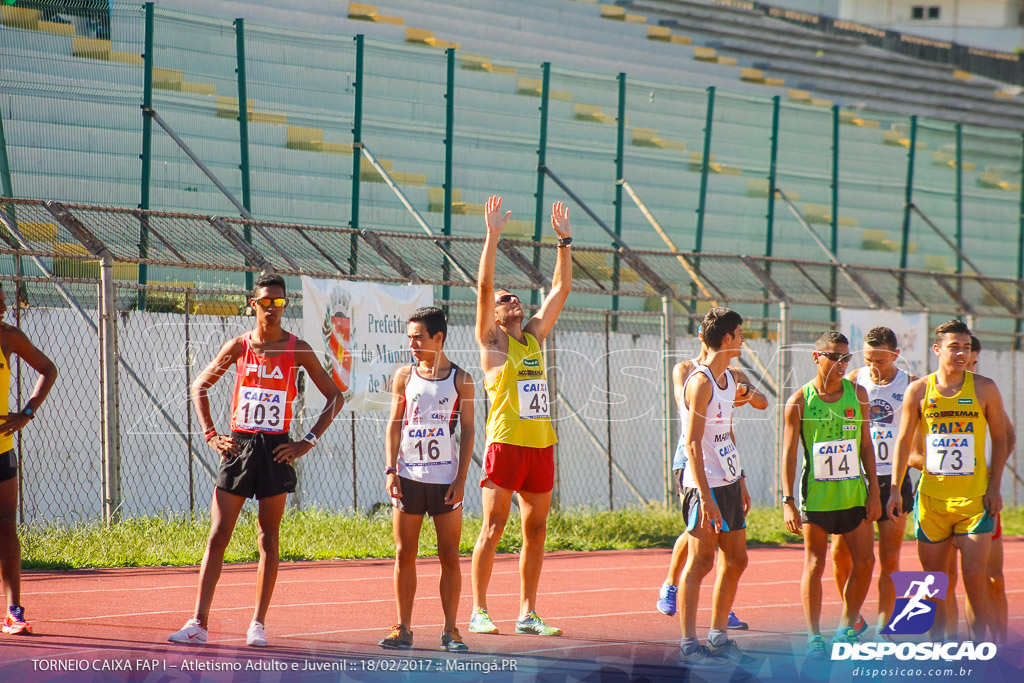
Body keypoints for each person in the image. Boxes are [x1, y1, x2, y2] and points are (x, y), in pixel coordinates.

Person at [168, 273, 343, 647]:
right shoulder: (238, 346)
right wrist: (212, 435)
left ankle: (257, 625)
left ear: (285, 305)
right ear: (254, 303)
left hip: (276, 448)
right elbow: (200, 386)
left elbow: (334, 397)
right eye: (266, 301)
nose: (273, 308)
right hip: (239, 446)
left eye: (279, 302)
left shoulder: (298, 348)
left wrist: (307, 441)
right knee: (218, 535)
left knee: (268, 537)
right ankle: (198, 622)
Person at [469, 195, 570, 637]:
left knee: (537, 531)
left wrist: (564, 242)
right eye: (507, 299)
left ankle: (528, 612)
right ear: (495, 313)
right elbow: (486, 285)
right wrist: (492, 235)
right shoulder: (492, 341)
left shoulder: (532, 337)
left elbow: (560, 290)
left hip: (540, 444)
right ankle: (478, 610)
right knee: (493, 527)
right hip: (506, 442)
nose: (515, 301)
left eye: (517, 299)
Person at [889, 320, 1008, 642]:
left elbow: (1003, 437)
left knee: (975, 578)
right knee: (935, 583)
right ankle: (939, 647)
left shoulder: (984, 388)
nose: (961, 353)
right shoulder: (919, 390)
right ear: (937, 349)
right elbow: (902, 444)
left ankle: (983, 649)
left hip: (973, 501)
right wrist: (893, 490)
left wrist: (994, 485)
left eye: (966, 347)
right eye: (954, 346)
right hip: (932, 502)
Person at [379, 306, 475, 652]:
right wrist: (391, 470)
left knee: (449, 555)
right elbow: (393, 424)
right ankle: (403, 627)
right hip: (409, 477)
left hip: (445, 479)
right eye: (409, 338)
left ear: (439, 338)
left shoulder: (461, 379)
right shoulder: (404, 375)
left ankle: (451, 630)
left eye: (418, 337)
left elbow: (467, 430)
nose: (412, 344)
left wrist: (461, 478)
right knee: (405, 553)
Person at [657, 336, 767, 632]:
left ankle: (722, 611)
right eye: (739, 334)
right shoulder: (689, 371)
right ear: (706, 338)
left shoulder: (732, 375)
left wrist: (740, 390)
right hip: (692, 459)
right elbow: (688, 410)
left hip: (726, 466)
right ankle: (671, 585)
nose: (743, 340)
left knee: (731, 554)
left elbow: (760, 401)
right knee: (700, 540)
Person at [782, 331, 881, 656]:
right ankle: (813, 636)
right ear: (817, 357)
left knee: (865, 562)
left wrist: (875, 492)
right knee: (814, 563)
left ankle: (845, 627)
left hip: (853, 495)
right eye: (834, 357)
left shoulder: (859, 395)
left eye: (845, 358)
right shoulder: (799, 401)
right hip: (817, 499)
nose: (841, 364)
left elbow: (866, 445)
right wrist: (788, 501)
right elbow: (789, 455)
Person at [676, 308, 754, 666]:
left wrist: (740, 481)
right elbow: (692, 443)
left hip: (727, 480)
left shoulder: (728, 380)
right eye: (739, 333)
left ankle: (719, 636)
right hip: (702, 485)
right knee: (702, 560)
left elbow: (725, 435)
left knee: (736, 559)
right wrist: (705, 496)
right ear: (726, 339)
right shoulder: (701, 380)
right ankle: (690, 643)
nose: (742, 339)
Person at [831, 327, 917, 638]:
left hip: (892, 479)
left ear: (895, 355)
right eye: (868, 360)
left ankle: (885, 621)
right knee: (841, 552)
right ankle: (850, 616)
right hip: (856, 478)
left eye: (880, 361)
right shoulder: (854, 380)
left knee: (890, 554)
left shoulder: (910, 385)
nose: (873, 367)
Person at [0, 284, 58, 635]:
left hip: (1, 448)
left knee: (6, 524)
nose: (5, 304)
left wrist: (26, 413)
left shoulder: (8, 337)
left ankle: (14, 610)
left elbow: (48, 369)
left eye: (4, 299)